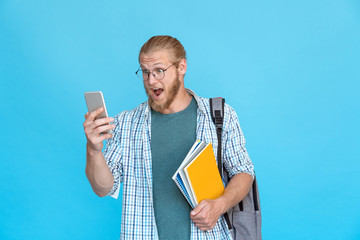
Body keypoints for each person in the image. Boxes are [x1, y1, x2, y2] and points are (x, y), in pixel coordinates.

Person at [83, 35, 255, 239]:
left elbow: (244, 172)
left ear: (181, 67)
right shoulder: (126, 123)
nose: (151, 80)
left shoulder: (219, 116)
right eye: (145, 72)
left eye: (159, 71)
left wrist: (220, 205)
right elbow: (103, 188)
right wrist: (94, 150)